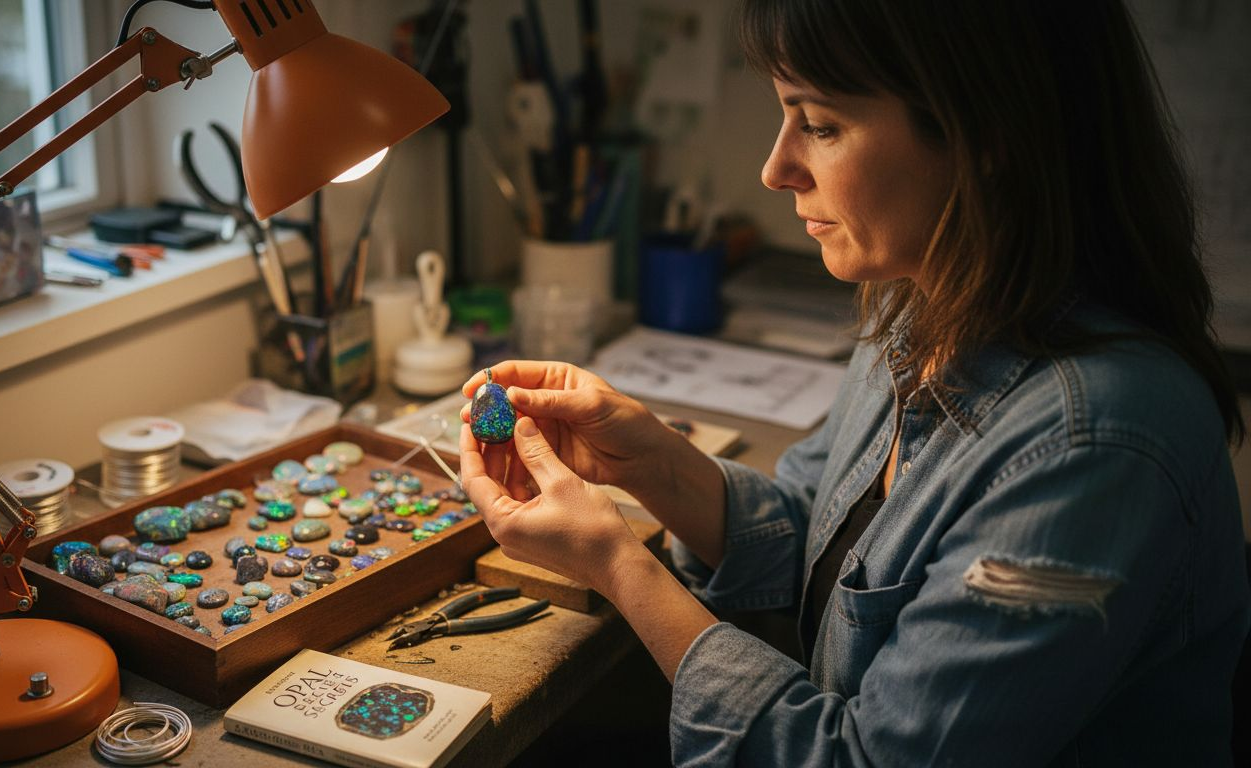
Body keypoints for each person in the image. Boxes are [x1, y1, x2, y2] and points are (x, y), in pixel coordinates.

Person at [458, 0, 1250, 764]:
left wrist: (617, 564)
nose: (775, 170)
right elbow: (824, 536)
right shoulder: (920, 305)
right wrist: (659, 466)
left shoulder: (1095, 444)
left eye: (820, 125)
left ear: (987, 132)